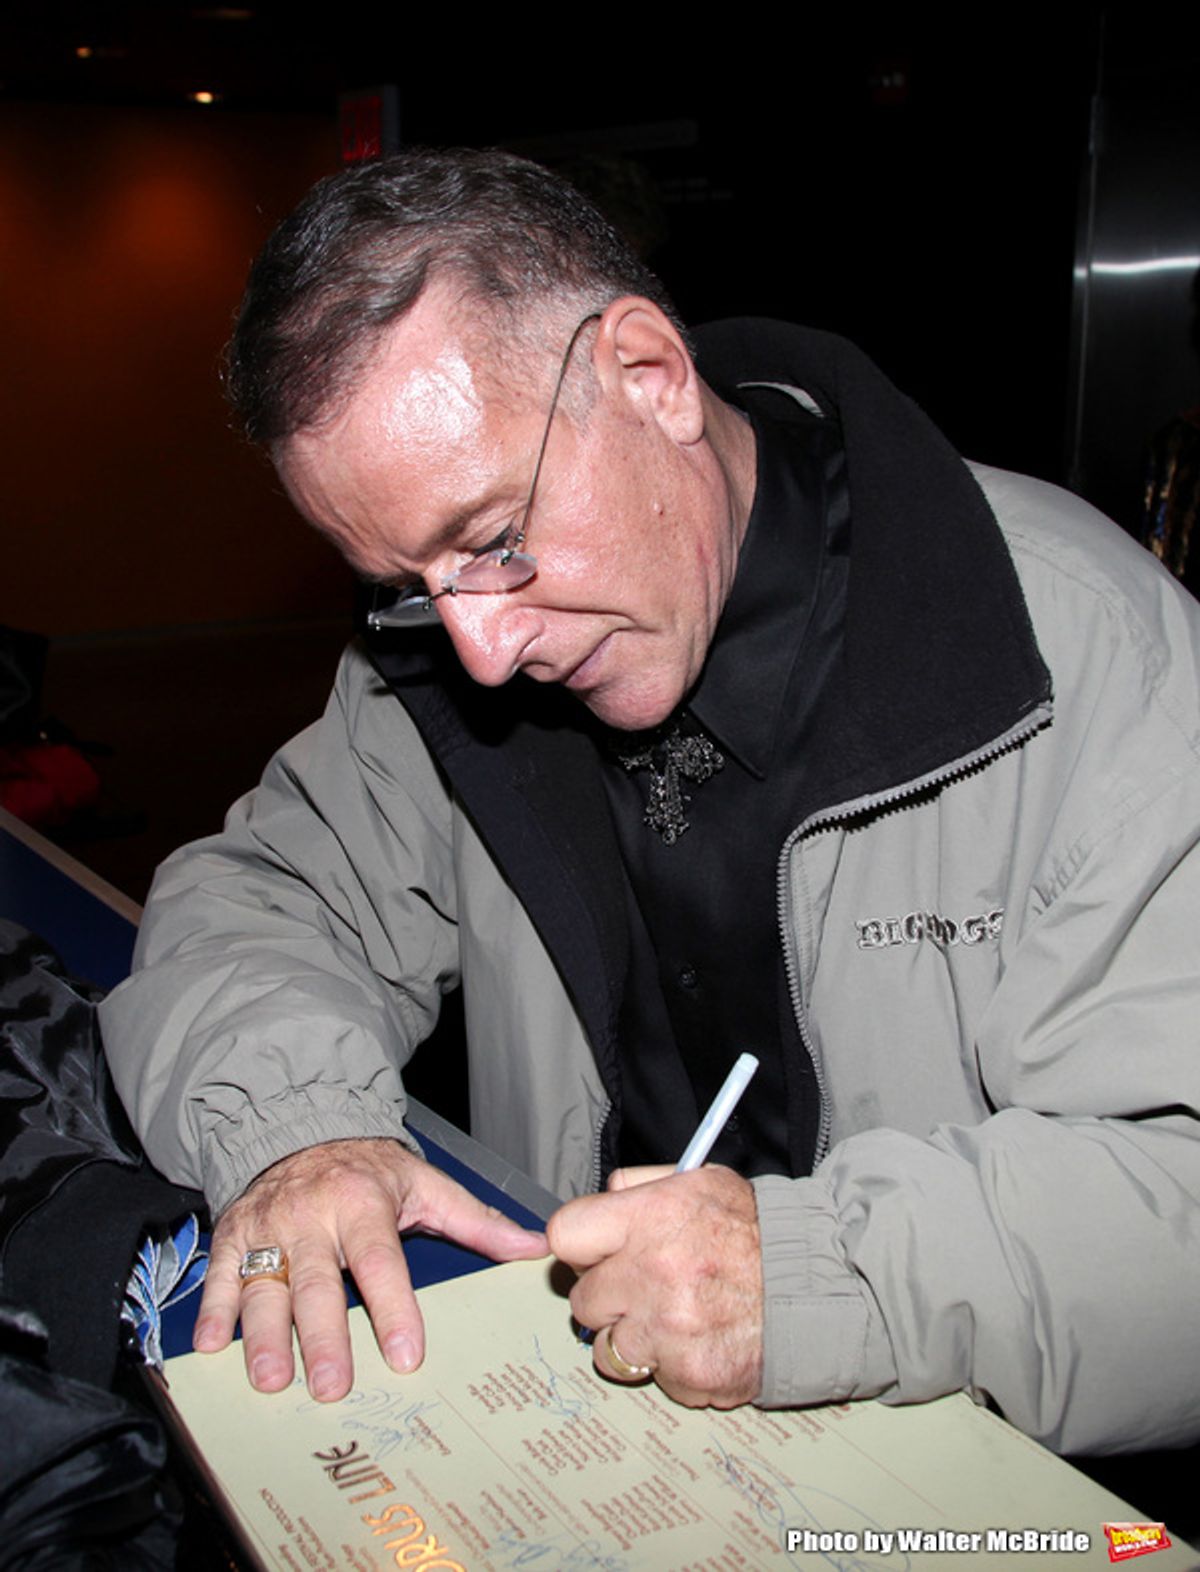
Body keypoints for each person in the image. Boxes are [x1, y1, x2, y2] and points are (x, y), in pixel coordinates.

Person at [99, 149, 1200, 1458]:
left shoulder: (1090, 654)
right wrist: (295, 1132)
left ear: (649, 375)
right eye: (407, 582)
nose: (481, 651)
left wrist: (810, 1278)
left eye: (495, 536)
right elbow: (264, 893)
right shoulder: (445, 653)